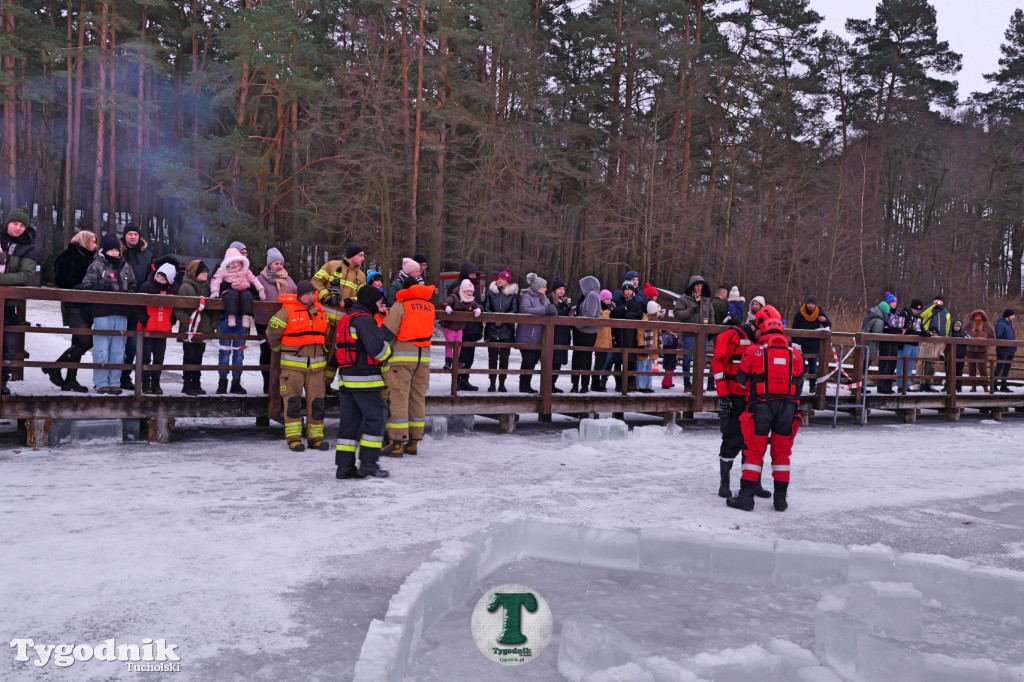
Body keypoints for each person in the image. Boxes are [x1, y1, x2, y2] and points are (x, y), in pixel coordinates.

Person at [727, 315, 804, 512]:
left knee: (754, 452)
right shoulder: (795, 354)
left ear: (763, 331)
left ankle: (746, 497)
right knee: (782, 454)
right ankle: (780, 499)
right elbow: (800, 383)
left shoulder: (754, 351)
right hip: (787, 409)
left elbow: (741, 380)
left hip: (760, 407)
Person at [335, 286, 393, 478]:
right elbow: (378, 352)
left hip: (347, 378)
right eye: (378, 301)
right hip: (365, 379)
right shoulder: (365, 320)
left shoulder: (347, 318)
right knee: (377, 418)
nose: (380, 305)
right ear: (370, 301)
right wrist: (388, 345)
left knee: (350, 423)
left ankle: (345, 467)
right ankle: (368, 464)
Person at [266, 280, 330, 452]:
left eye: (313, 294)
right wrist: (279, 349)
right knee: (293, 403)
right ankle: (294, 439)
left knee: (317, 403)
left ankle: (316, 438)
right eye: (307, 294)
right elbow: (272, 333)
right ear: (299, 295)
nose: (311, 297)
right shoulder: (286, 311)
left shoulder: (320, 310)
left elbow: (326, 332)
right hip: (292, 368)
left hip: (317, 368)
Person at [711, 314, 768, 500]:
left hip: (756, 399)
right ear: (755, 326)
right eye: (762, 331)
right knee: (731, 438)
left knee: (756, 441)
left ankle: (754, 483)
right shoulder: (730, 337)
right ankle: (724, 484)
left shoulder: (765, 341)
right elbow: (717, 364)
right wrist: (723, 395)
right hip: (734, 397)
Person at [380, 280, 436, 456]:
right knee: (417, 398)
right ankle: (413, 441)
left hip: (402, 359)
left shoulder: (401, 305)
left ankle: (397, 442)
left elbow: (387, 332)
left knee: (399, 398)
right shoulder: (429, 306)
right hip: (423, 358)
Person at [79, 232, 135, 394]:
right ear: (105, 250)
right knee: (102, 349)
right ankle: (101, 382)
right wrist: (101, 289)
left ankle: (115, 382)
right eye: (111, 250)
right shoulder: (97, 265)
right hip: (102, 312)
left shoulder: (126, 266)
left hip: (122, 312)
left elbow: (133, 284)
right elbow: (86, 285)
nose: (115, 253)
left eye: (117, 250)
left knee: (118, 350)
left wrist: (129, 293)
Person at [312, 243, 367, 392]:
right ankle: (314, 386)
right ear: (352, 255)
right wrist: (326, 296)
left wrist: (350, 302)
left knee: (334, 355)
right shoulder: (332, 266)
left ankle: (325, 385)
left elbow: (363, 297)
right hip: (323, 321)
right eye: (360, 255)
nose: (363, 258)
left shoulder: (361, 276)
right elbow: (316, 282)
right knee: (319, 352)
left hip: (343, 324)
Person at [211, 246, 266, 394]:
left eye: (245, 253)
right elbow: (216, 283)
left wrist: (249, 286)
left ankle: (236, 381)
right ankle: (222, 381)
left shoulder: (246, 269)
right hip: (225, 316)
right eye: (241, 253)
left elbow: (255, 286)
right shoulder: (221, 268)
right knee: (224, 351)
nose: (243, 256)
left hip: (242, 317)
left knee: (239, 352)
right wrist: (230, 286)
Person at [48, 230, 98, 392]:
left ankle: (70, 379)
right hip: (73, 305)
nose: (96, 246)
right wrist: (79, 287)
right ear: (84, 241)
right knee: (85, 342)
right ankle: (54, 367)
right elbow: (60, 279)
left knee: (77, 343)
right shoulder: (68, 256)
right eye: (93, 242)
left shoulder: (89, 258)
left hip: (86, 306)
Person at [0, 207, 38, 395]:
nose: (18, 228)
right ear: (8, 223)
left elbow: (25, 276)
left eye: (22, 225)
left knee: (8, 345)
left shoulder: (28, 248)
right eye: (15, 223)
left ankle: (2, 379)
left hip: (10, 304)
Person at [255, 248, 296, 394]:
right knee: (266, 352)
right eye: (276, 263)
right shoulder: (260, 279)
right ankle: (267, 384)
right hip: (264, 321)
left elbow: (296, 295)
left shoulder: (289, 280)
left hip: (285, 323)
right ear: (269, 264)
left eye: (281, 263)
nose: (279, 266)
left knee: (282, 353)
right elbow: (254, 297)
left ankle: (280, 384)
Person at [119, 223, 155, 391]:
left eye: (135, 234)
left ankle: (125, 376)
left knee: (132, 344)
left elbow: (151, 277)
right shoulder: (117, 251)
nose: (133, 237)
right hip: (119, 303)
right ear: (124, 236)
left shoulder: (147, 254)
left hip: (138, 305)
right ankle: (111, 375)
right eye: (130, 234)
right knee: (116, 342)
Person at [175, 260, 217, 396]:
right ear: (194, 272)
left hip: (204, 329)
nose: (206, 274)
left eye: (206, 271)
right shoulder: (185, 287)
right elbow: (179, 309)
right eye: (202, 271)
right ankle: (187, 384)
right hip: (189, 330)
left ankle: (196, 382)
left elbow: (216, 308)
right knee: (189, 355)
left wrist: (212, 325)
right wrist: (189, 324)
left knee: (199, 355)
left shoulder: (210, 288)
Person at [136, 263, 177, 395]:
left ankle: (156, 383)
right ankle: (145, 384)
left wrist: (171, 321)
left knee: (159, 358)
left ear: (169, 280)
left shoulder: (173, 290)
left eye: (163, 279)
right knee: (145, 357)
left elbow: (177, 307)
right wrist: (145, 320)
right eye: (158, 277)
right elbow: (138, 304)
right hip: (147, 327)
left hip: (163, 328)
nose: (159, 280)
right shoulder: (147, 286)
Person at [516, 273, 557, 394]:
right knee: (528, 360)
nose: (546, 289)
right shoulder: (527, 297)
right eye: (544, 286)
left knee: (533, 360)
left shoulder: (545, 298)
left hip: (539, 336)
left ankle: (527, 385)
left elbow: (551, 311)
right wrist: (545, 310)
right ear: (537, 287)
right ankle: (523, 385)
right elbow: (525, 310)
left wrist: (553, 311)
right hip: (527, 335)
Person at [673, 275, 715, 391]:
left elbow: (711, 314)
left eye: (701, 285)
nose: (699, 288)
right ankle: (687, 384)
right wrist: (690, 311)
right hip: (689, 334)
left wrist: (712, 329)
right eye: (697, 285)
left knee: (702, 359)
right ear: (692, 286)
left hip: (703, 334)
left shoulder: (706, 299)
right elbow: (677, 313)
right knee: (687, 358)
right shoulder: (684, 298)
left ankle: (698, 385)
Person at [446, 262, 484, 390]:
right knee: (459, 355)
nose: (473, 276)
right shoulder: (455, 286)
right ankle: (456, 380)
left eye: (475, 274)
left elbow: (477, 305)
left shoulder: (475, 287)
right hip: (459, 327)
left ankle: (465, 380)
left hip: (473, 327)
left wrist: (479, 327)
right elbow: (450, 303)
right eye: (471, 274)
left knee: (469, 356)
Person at [484, 268, 518, 392]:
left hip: (506, 330)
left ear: (507, 281)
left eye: (502, 278)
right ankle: (492, 382)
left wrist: (503, 319)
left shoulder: (512, 295)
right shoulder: (490, 293)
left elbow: (515, 310)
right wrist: (494, 319)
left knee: (504, 359)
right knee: (492, 358)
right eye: (498, 278)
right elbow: (487, 308)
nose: (499, 280)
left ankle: (502, 383)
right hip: (492, 329)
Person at [441, 279, 483, 375]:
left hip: (460, 326)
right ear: (463, 290)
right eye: (468, 291)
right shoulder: (454, 297)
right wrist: (447, 306)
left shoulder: (471, 300)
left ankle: (456, 360)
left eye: (471, 291)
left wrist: (479, 309)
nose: (470, 293)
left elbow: (478, 305)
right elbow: (445, 302)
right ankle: (448, 361)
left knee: (459, 342)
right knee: (450, 342)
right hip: (450, 325)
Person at [790, 295, 829, 393]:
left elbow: (828, 325)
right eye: (809, 303)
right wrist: (794, 343)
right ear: (806, 303)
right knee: (800, 367)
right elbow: (794, 328)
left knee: (813, 367)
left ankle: (812, 387)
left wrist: (824, 320)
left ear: (816, 305)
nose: (810, 305)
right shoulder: (800, 314)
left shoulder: (819, 313)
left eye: (812, 304)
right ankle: (799, 387)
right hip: (801, 344)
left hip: (814, 344)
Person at [609, 282, 644, 392]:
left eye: (630, 290)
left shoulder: (637, 302)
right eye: (626, 289)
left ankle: (628, 384)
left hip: (631, 335)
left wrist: (627, 315)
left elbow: (639, 315)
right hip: (618, 334)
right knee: (618, 361)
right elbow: (614, 314)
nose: (628, 291)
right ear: (623, 291)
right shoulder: (617, 300)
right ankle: (618, 384)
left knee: (630, 361)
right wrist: (624, 308)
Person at [571, 276, 602, 393]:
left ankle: (582, 385)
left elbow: (589, 316)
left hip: (586, 333)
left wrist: (575, 323)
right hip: (584, 332)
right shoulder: (589, 295)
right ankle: (577, 384)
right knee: (580, 359)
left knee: (582, 359)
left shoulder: (592, 295)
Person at [918, 295, 952, 392]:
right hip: (927, 339)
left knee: (935, 362)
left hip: (940, 341)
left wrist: (947, 339)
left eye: (941, 300)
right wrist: (932, 304)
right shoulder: (930, 309)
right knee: (922, 360)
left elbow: (948, 326)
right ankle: (918, 382)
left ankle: (929, 382)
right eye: (937, 300)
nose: (939, 302)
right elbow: (921, 314)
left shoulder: (946, 313)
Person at [895, 300, 928, 391]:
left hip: (915, 344)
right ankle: (901, 386)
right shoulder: (904, 314)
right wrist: (916, 332)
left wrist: (926, 333)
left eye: (919, 310)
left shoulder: (918, 317)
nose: (918, 312)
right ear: (912, 308)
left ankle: (907, 385)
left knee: (910, 366)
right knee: (902, 365)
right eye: (916, 310)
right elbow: (900, 329)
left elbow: (921, 329)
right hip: (905, 344)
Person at [549, 277, 572, 393]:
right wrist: (566, 311)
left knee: (558, 362)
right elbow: (553, 313)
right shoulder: (550, 299)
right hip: (554, 335)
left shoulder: (564, 301)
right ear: (554, 290)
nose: (562, 291)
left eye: (563, 289)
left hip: (563, 334)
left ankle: (553, 384)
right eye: (560, 289)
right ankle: (549, 385)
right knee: (552, 361)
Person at [964, 309, 995, 392]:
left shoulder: (987, 326)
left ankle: (985, 386)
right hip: (970, 350)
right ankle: (973, 386)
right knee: (971, 368)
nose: (978, 318)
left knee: (983, 368)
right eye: (976, 317)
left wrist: (984, 341)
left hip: (982, 351)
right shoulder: (967, 326)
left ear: (983, 317)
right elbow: (962, 335)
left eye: (980, 317)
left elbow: (993, 337)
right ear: (973, 317)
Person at [636, 300, 662, 393]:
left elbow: (657, 335)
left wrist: (657, 347)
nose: (659, 314)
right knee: (642, 367)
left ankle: (648, 385)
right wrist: (641, 345)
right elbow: (640, 334)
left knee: (649, 368)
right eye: (657, 312)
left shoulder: (656, 322)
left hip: (652, 348)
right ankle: (641, 386)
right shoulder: (644, 321)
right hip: (645, 347)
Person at [591, 289, 614, 392]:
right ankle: (594, 384)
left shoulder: (607, 310)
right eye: (607, 299)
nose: (609, 301)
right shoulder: (599, 309)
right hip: (600, 341)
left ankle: (597, 383)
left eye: (610, 299)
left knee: (603, 363)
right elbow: (601, 321)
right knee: (598, 363)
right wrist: (608, 310)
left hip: (606, 340)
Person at [995, 309, 1016, 393]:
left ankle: (1003, 386)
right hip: (1003, 350)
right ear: (1008, 316)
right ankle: (994, 386)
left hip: (1011, 350)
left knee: (1006, 369)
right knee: (999, 368)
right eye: (1013, 315)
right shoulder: (1000, 324)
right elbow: (997, 337)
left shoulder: (1010, 325)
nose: (1014, 317)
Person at [950, 319, 968, 391]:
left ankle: (958, 386)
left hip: (960, 355)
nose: (957, 327)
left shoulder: (964, 333)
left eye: (958, 326)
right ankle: (949, 385)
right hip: (951, 355)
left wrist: (964, 336)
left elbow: (970, 340)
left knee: (959, 371)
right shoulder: (950, 333)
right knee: (950, 371)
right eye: (955, 326)